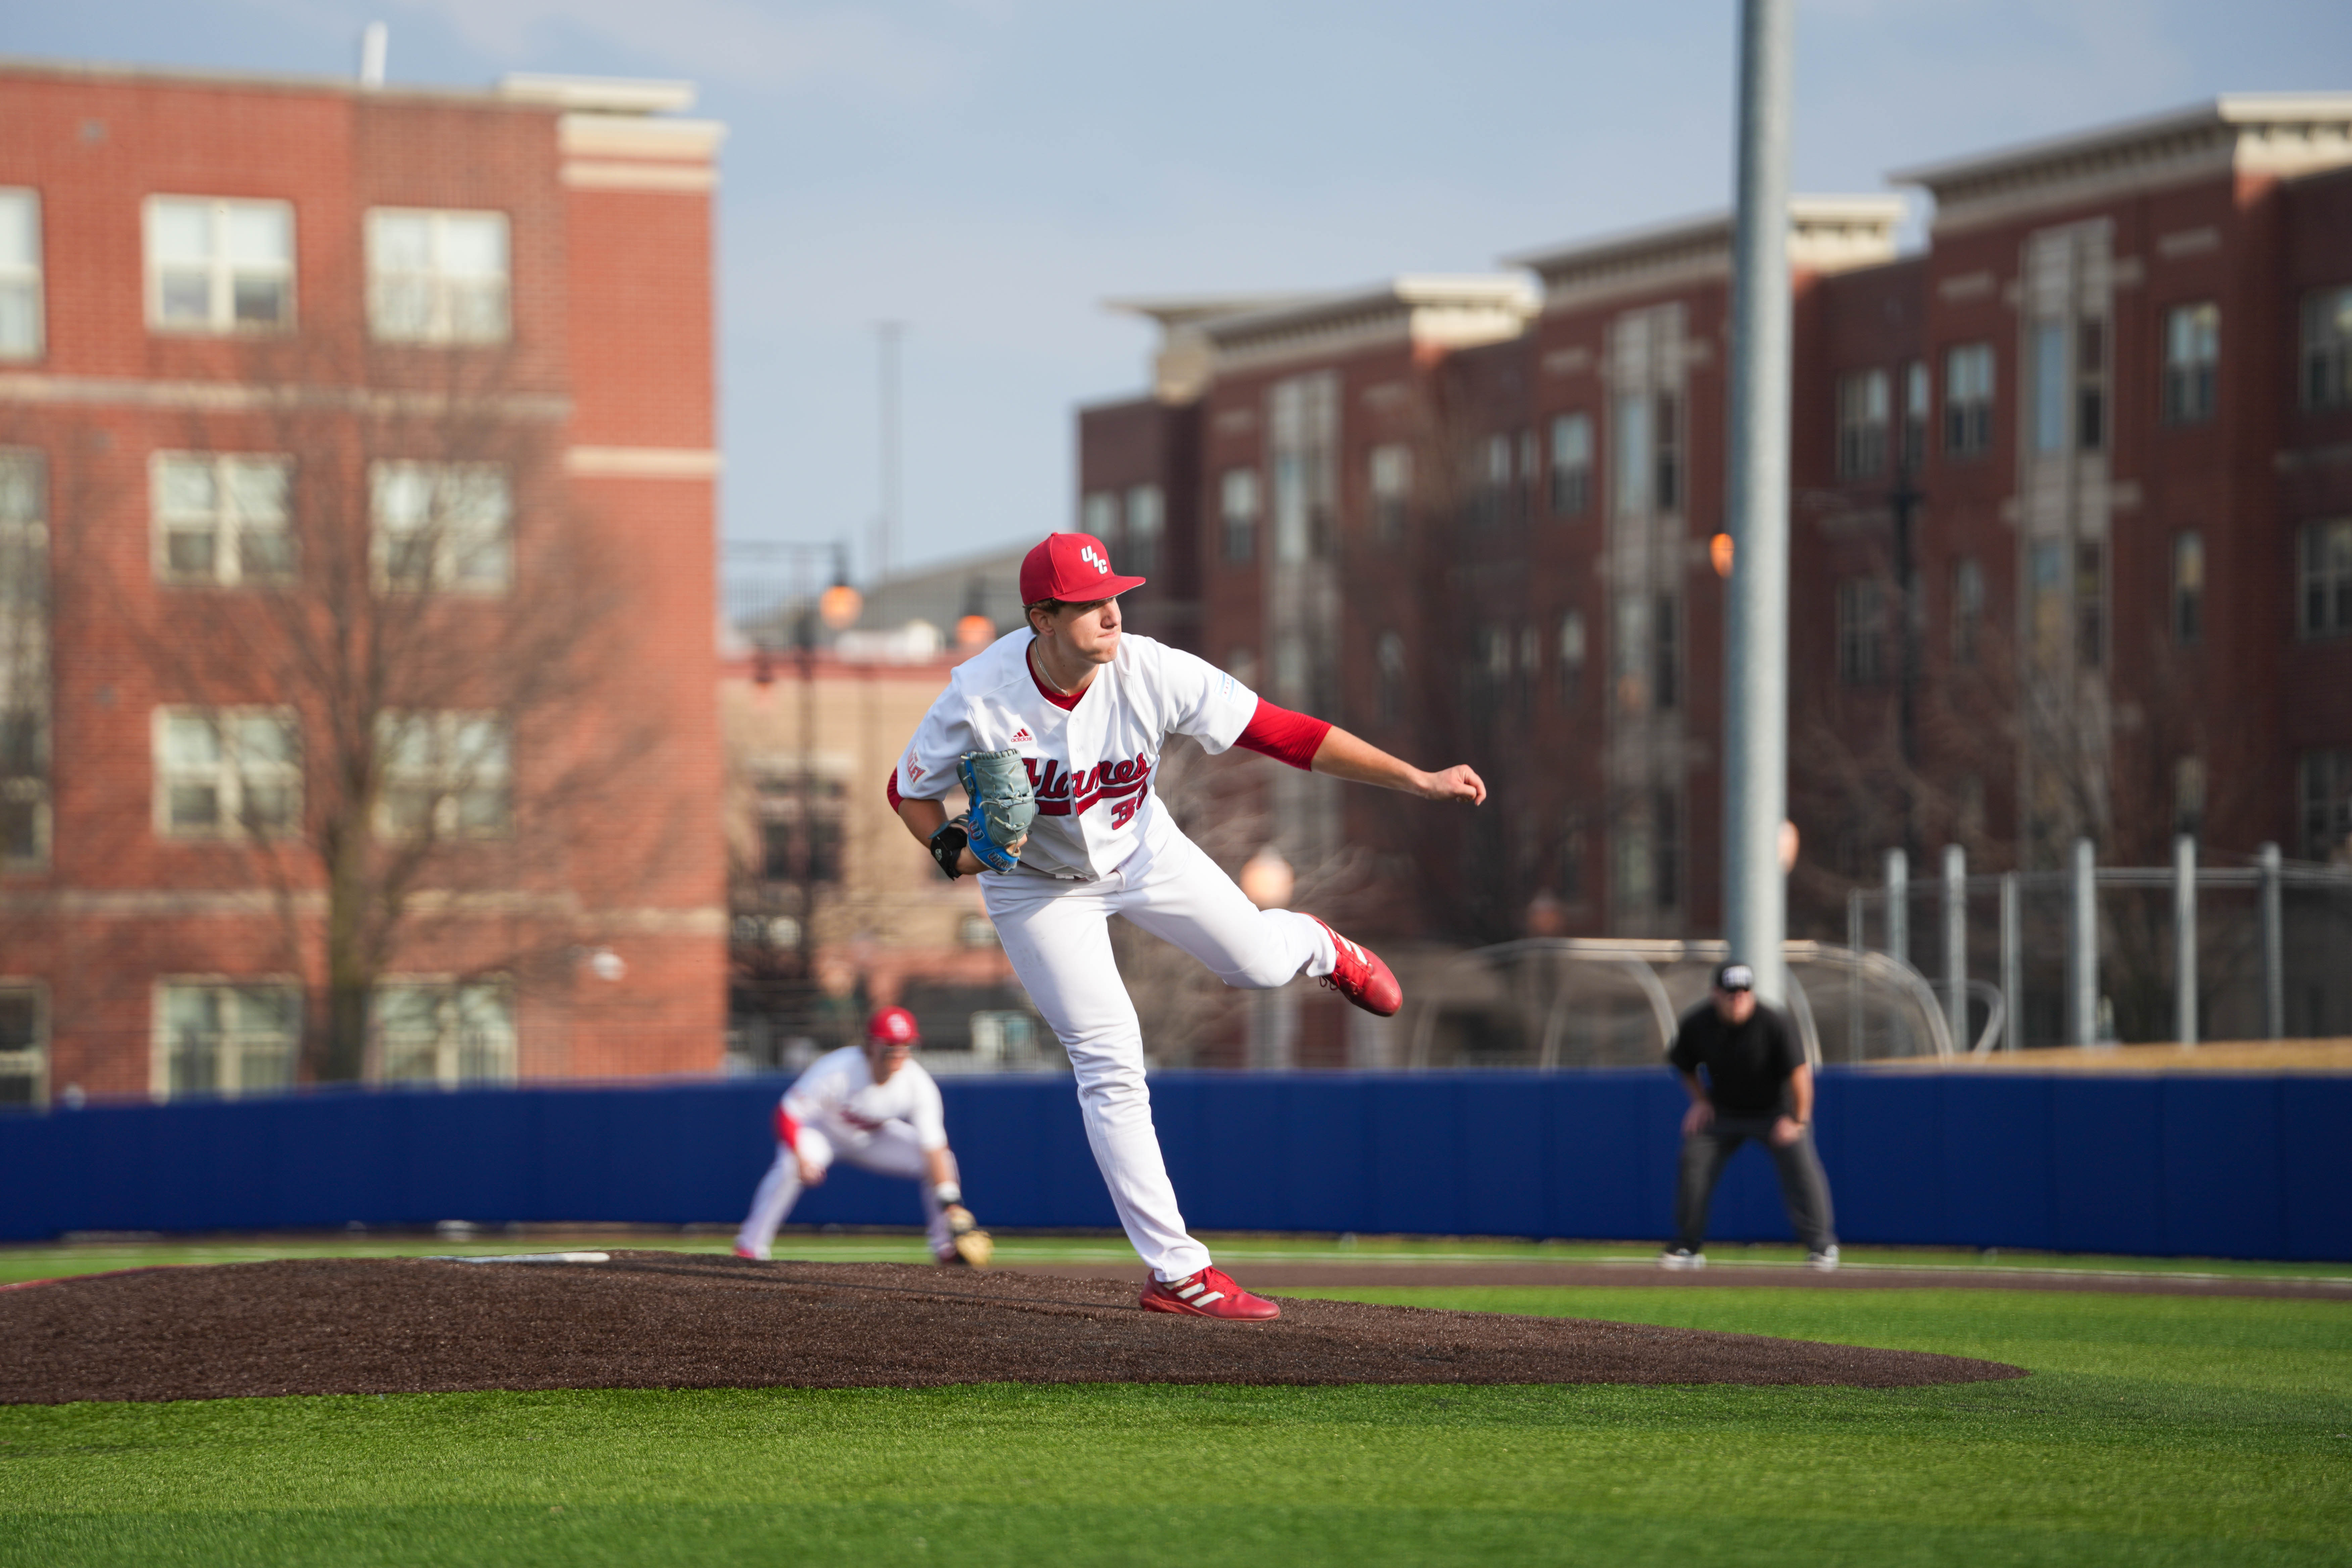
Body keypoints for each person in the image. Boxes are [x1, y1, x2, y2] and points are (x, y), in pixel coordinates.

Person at [888, 530, 1485, 1320]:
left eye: (1114, 596)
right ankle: (1178, 1272)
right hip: (1037, 890)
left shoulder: (1152, 669)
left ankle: (1316, 942)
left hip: (1144, 847)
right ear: (1042, 618)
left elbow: (1283, 731)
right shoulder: (980, 695)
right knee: (1109, 1061)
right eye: (1090, 604)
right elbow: (908, 790)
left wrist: (1417, 779)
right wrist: (957, 854)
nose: (1112, 613)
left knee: (1260, 965)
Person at [735, 1005, 990, 1267]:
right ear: (871, 1044)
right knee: (789, 1165)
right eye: (891, 1045)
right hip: (824, 1133)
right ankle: (750, 1247)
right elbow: (787, 1113)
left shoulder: (918, 1083)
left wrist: (951, 1203)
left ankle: (946, 1250)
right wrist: (801, 1157)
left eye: (905, 1045)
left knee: (943, 1161)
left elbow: (934, 1147)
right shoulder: (838, 1068)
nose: (898, 1052)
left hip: (874, 1138)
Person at [1661, 961, 1840, 1271]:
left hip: (1775, 1113)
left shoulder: (1774, 1022)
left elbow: (1800, 1075)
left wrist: (1799, 1121)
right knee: (1694, 1160)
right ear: (1716, 994)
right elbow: (1684, 1064)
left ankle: (1822, 1245)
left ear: (1752, 994)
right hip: (1724, 1112)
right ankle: (1687, 1246)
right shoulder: (1698, 1022)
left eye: (1744, 992)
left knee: (1802, 1166)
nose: (1738, 999)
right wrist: (1701, 1102)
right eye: (1731, 993)